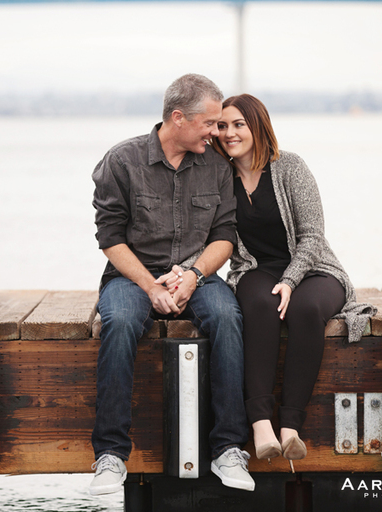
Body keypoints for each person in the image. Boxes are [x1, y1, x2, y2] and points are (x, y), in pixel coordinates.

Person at [89, 74, 254, 495]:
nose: (217, 132)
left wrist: (194, 275)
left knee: (226, 316)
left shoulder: (217, 166)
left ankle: (228, 448)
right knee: (121, 322)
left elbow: (225, 236)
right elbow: (110, 238)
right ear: (177, 118)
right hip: (134, 276)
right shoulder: (121, 162)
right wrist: (151, 287)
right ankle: (110, 456)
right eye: (210, 123)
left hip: (198, 275)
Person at [209, 93, 376, 470]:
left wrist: (291, 279)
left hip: (314, 268)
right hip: (255, 269)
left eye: (239, 124)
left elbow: (313, 236)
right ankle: (261, 424)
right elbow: (211, 237)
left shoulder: (291, 168)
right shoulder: (219, 179)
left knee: (306, 308)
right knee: (258, 305)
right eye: (223, 125)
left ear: (257, 126)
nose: (230, 133)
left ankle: (290, 426)